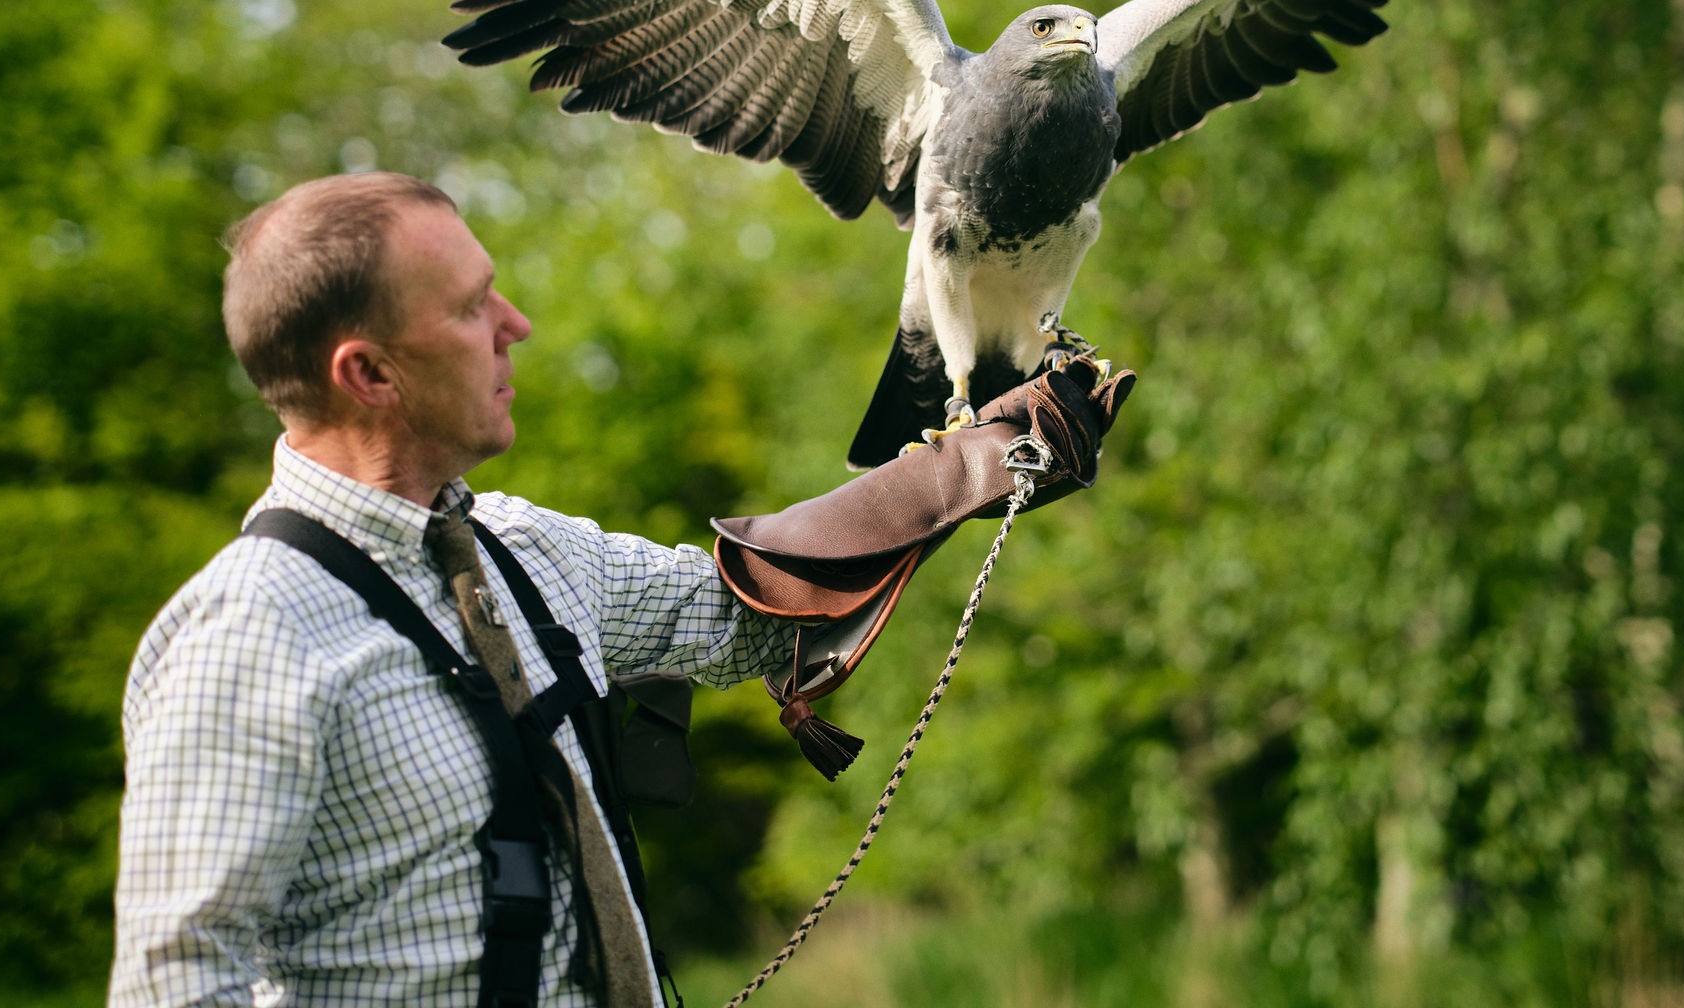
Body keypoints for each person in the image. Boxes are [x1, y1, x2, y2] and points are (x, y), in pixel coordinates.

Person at [108, 172, 1125, 1008]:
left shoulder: (524, 549)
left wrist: (963, 469)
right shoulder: (246, 635)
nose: (518, 324)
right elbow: (176, 986)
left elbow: (751, 618)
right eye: (469, 309)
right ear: (369, 375)